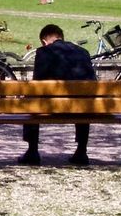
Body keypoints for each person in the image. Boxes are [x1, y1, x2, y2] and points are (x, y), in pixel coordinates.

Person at [20, 22, 95, 166]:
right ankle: (81, 151)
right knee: (84, 100)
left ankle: (32, 151)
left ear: (44, 41)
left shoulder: (43, 52)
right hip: (82, 108)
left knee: (31, 100)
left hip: (51, 106)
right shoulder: (83, 52)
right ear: (62, 37)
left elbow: (38, 83)